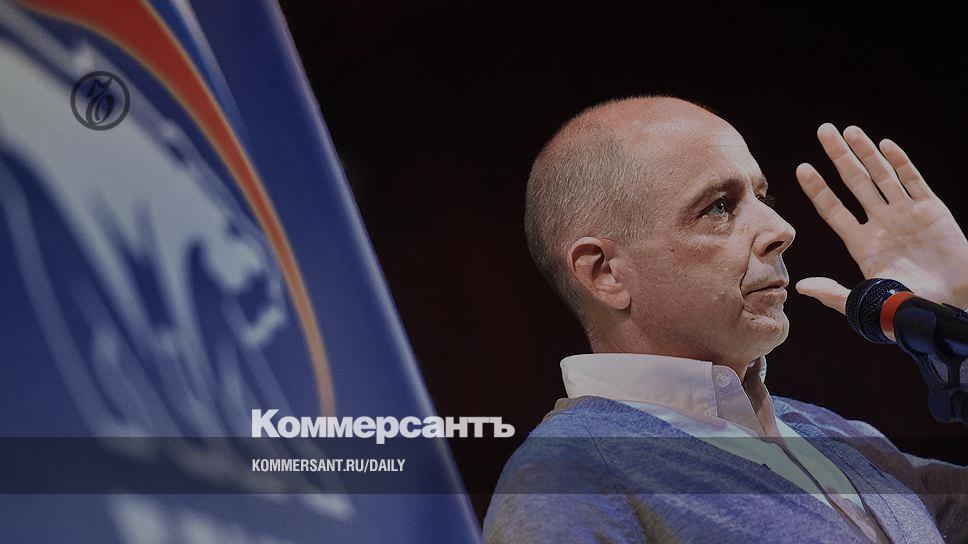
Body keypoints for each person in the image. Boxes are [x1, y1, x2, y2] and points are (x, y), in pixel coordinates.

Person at [483, 96, 968, 543]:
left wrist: (959, 302)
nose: (781, 229)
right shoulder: (566, 475)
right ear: (605, 273)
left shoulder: (839, 437)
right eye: (718, 207)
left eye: (763, 198)